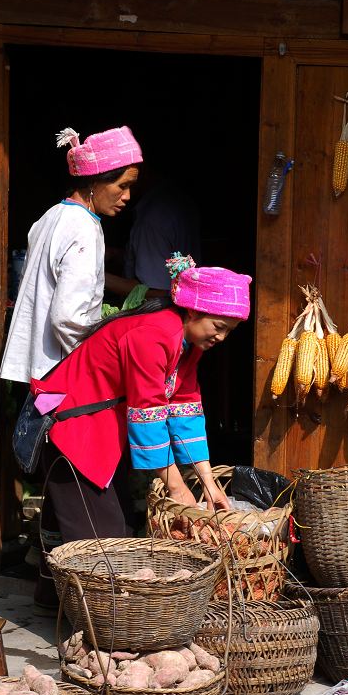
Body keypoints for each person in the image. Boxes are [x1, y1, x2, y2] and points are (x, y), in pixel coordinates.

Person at [32, 253, 252, 608]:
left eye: (229, 330)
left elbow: (186, 410)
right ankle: (102, 628)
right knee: (104, 545)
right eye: (219, 326)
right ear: (193, 312)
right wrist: (177, 487)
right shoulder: (152, 335)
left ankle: (55, 605)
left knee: (80, 524)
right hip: (75, 433)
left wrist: (209, 485)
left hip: (101, 434)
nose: (222, 337)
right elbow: (148, 413)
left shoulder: (187, 344)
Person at [0, 125, 143, 383]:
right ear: (95, 181)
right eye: (122, 186)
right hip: (62, 372)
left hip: (38, 369)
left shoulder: (52, 215)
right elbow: (67, 317)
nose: (127, 196)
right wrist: (97, 364)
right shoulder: (84, 228)